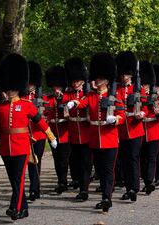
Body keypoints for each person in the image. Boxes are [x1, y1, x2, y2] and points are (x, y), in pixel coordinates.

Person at [0, 53, 57, 220]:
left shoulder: (26, 105)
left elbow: (40, 122)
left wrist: (51, 137)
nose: (10, 91)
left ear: (18, 87)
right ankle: (24, 209)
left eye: (12, 88)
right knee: (14, 181)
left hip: (21, 147)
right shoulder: (1, 107)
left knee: (18, 180)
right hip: (6, 148)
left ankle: (14, 208)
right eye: (8, 88)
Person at [67, 52, 125, 212]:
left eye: (99, 78)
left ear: (106, 80)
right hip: (95, 140)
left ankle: (107, 198)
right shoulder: (91, 96)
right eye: (96, 77)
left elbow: (122, 115)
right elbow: (82, 102)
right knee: (99, 169)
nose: (97, 80)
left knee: (108, 170)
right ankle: (104, 195)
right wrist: (73, 103)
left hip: (110, 139)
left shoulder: (114, 96)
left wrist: (116, 120)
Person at [116, 51, 147, 202]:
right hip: (122, 131)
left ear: (131, 74)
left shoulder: (138, 89)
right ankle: (129, 188)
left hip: (135, 129)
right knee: (125, 159)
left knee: (133, 158)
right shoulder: (116, 90)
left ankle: (134, 187)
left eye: (126, 74)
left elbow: (145, 108)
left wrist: (141, 114)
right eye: (122, 74)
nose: (124, 77)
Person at [64, 57, 92, 201]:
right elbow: (62, 105)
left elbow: (88, 104)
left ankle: (84, 190)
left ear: (82, 80)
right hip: (73, 133)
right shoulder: (68, 93)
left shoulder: (87, 93)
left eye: (77, 81)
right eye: (73, 81)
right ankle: (79, 183)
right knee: (75, 162)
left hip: (87, 133)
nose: (75, 83)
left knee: (86, 163)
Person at [44, 65, 71, 194]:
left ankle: (64, 181)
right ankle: (60, 181)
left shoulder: (66, 97)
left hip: (65, 132)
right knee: (56, 158)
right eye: (54, 86)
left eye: (58, 86)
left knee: (64, 159)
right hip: (53, 132)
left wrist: (61, 98)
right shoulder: (48, 99)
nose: (55, 88)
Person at [139, 61, 159, 195]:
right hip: (142, 131)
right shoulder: (139, 97)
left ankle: (149, 181)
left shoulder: (156, 97)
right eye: (143, 84)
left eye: (146, 84)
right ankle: (145, 178)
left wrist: (158, 112)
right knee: (143, 157)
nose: (145, 87)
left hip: (153, 131)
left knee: (152, 157)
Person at [26, 61, 47, 201]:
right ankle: (34, 188)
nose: (29, 86)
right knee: (29, 163)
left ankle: (34, 189)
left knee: (36, 161)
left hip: (38, 135)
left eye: (31, 83)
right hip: (26, 135)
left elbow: (48, 116)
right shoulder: (20, 98)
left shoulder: (42, 98)